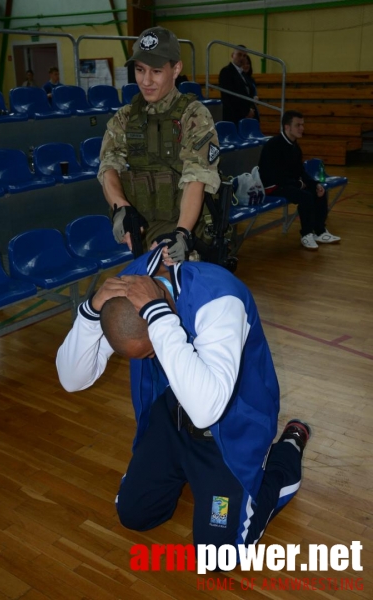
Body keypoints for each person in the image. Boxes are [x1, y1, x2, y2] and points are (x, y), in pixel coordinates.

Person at [56, 244, 311, 563]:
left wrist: (159, 317)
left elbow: (207, 410)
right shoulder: (127, 291)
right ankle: (185, 470)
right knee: (135, 515)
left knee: (219, 556)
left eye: (151, 352)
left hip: (233, 420)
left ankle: (287, 450)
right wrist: (91, 311)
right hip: (174, 414)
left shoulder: (219, 300)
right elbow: (71, 378)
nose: (152, 359)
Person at [97, 26, 221, 263]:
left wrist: (181, 233)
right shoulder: (125, 117)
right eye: (140, 70)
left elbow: (197, 177)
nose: (146, 81)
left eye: (156, 71)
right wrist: (121, 207)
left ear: (176, 69)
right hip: (144, 229)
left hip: (187, 228)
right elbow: (108, 166)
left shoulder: (194, 116)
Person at [258, 110, 341, 250]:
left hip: (288, 184)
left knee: (318, 190)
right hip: (272, 186)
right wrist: (298, 184)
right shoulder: (273, 146)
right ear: (287, 127)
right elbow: (273, 176)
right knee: (305, 196)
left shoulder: (296, 147)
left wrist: (315, 184)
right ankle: (306, 234)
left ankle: (319, 231)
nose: (302, 128)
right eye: (298, 125)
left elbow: (300, 172)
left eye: (302, 125)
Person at [219, 45, 257, 125]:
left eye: (244, 55)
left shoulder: (244, 75)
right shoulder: (226, 71)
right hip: (234, 117)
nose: (242, 58)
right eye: (239, 54)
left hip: (246, 115)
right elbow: (230, 96)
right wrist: (246, 111)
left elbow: (249, 94)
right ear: (233, 55)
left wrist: (251, 109)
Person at [242, 55, 259, 121]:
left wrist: (255, 97)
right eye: (244, 64)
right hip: (245, 111)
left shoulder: (251, 79)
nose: (246, 66)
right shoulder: (239, 79)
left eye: (248, 63)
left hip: (253, 109)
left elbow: (254, 93)